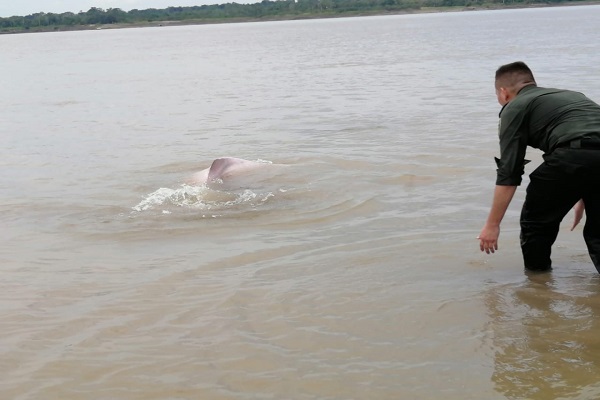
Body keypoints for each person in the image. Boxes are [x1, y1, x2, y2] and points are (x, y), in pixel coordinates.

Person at [478, 61, 600, 273]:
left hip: (573, 158)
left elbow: (509, 171)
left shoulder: (514, 107)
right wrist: (585, 192)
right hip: (583, 160)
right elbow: (590, 140)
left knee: (536, 226)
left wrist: (492, 225)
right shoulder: (573, 96)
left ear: (503, 92)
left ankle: (538, 283)